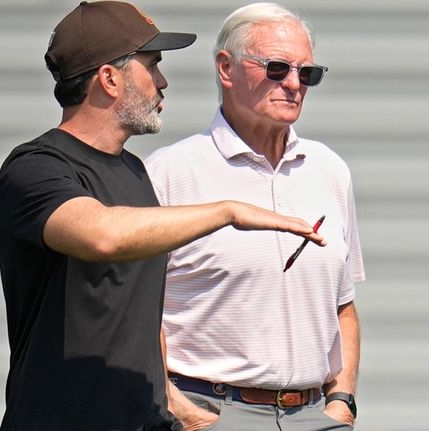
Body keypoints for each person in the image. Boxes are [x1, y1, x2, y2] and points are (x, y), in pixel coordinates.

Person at [0, 2, 326, 431]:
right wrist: (228, 211)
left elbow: (142, 311)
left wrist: (174, 403)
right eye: (152, 66)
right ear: (110, 79)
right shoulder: (36, 167)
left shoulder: (134, 171)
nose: (163, 82)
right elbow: (101, 234)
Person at [145, 2, 365, 430]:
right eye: (278, 68)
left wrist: (343, 402)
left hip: (314, 414)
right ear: (226, 68)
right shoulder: (167, 173)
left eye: (308, 73)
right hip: (212, 410)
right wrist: (181, 410)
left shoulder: (330, 170)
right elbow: (136, 314)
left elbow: (344, 306)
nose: (294, 84)